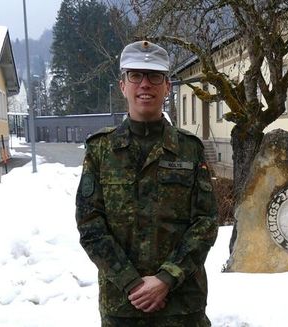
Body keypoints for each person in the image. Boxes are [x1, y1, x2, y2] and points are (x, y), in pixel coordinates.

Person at [75, 40, 218, 326]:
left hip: (181, 304)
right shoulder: (101, 150)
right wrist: (131, 283)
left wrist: (167, 278)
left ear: (167, 87)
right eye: (136, 75)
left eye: (154, 76)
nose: (145, 84)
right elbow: (90, 225)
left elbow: (205, 222)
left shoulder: (189, 149)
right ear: (122, 85)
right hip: (123, 305)